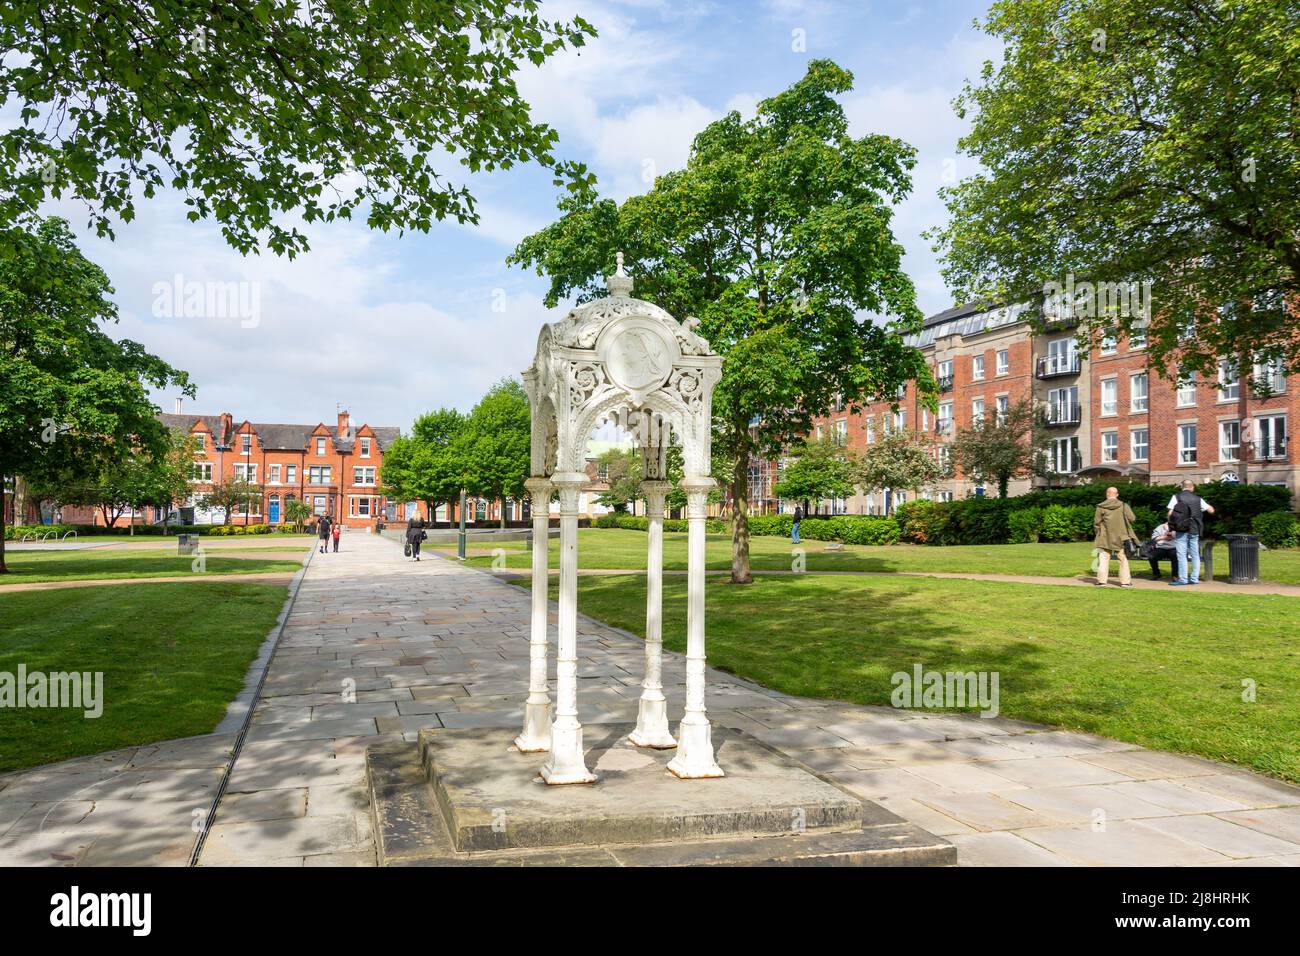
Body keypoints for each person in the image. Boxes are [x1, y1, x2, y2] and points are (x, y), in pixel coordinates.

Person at [1167, 479, 1215, 586]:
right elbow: (1211, 510)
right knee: (1195, 554)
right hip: (1195, 529)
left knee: (1181, 554)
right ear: (1192, 487)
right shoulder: (1198, 499)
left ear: (1182, 487)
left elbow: (1170, 513)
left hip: (1181, 528)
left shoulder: (1176, 497)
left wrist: (1171, 526)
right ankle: (1194, 578)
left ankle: (1183, 579)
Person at [1093, 486, 1139, 587]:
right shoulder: (1123, 505)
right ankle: (1125, 582)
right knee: (1122, 559)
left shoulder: (1100, 506)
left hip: (1105, 537)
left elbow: (1096, 523)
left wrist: (1099, 533)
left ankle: (1101, 581)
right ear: (1117, 495)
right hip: (1122, 536)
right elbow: (1132, 518)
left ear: (1107, 494)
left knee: (1103, 558)